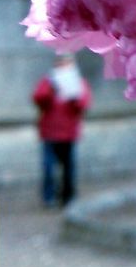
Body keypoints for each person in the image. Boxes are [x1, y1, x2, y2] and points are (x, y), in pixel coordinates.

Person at [32, 53, 92, 207]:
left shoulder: (78, 82)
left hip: (68, 133)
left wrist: (74, 99)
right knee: (49, 168)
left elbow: (84, 104)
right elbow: (38, 98)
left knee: (68, 168)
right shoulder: (48, 81)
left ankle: (68, 196)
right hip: (50, 133)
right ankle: (49, 196)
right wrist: (51, 89)